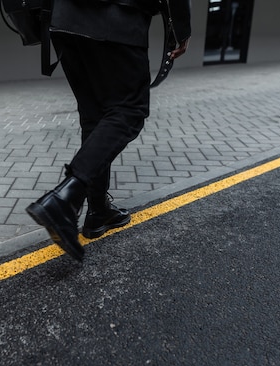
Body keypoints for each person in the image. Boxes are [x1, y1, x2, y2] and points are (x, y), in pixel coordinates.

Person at [27, 0, 192, 261]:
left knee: (94, 117)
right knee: (130, 111)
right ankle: (64, 200)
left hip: (63, 20)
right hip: (117, 17)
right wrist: (181, 29)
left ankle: (97, 211)